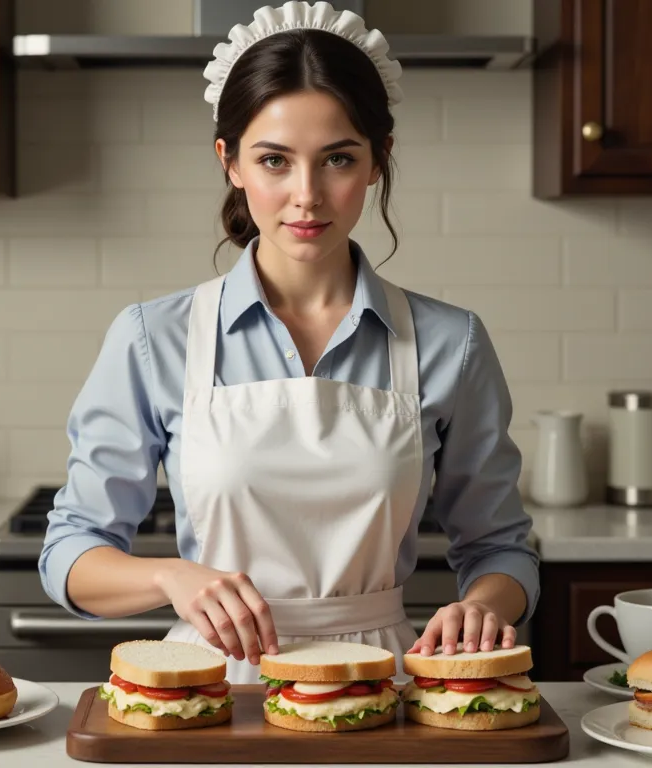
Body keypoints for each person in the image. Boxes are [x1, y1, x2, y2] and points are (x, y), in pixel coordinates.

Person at [39, 0, 539, 685]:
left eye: (337, 158)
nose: (307, 196)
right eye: (274, 161)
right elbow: (71, 551)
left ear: (376, 161)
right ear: (231, 162)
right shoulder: (154, 339)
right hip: (209, 689)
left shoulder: (450, 344)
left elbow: (500, 548)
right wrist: (172, 578)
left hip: (377, 686)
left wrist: (481, 605)